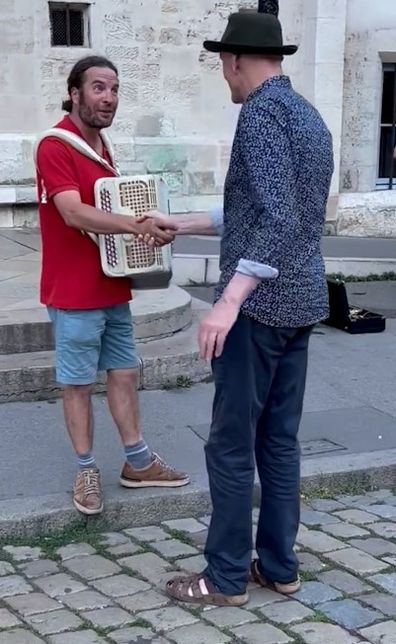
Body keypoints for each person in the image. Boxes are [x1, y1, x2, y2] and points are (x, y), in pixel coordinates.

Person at [164, 8, 334, 606]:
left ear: (235, 60)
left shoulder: (260, 115)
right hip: (302, 301)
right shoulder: (308, 116)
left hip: (260, 310)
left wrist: (227, 300)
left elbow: (279, 218)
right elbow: (265, 207)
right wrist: (182, 222)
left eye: (222, 66)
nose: (224, 78)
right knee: (279, 443)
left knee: (231, 444)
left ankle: (226, 577)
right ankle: (280, 568)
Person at [35, 55, 190, 517]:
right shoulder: (55, 145)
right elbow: (73, 212)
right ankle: (85, 470)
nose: (108, 98)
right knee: (78, 384)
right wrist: (133, 225)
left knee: (124, 373)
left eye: (115, 89)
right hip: (74, 291)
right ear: (74, 93)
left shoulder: (100, 145)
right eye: (98, 88)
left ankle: (137, 462)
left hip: (110, 285)